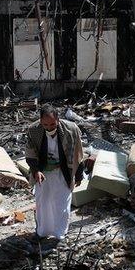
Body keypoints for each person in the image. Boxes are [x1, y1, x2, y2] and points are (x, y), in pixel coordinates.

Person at [24, 104, 85, 242]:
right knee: (42, 202)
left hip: (63, 170)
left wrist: (78, 174)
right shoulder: (34, 130)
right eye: (45, 124)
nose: (49, 127)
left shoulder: (71, 129)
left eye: (52, 124)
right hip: (43, 172)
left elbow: (78, 154)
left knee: (62, 203)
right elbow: (30, 152)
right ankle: (41, 232)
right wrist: (36, 170)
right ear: (40, 121)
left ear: (58, 120)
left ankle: (60, 234)